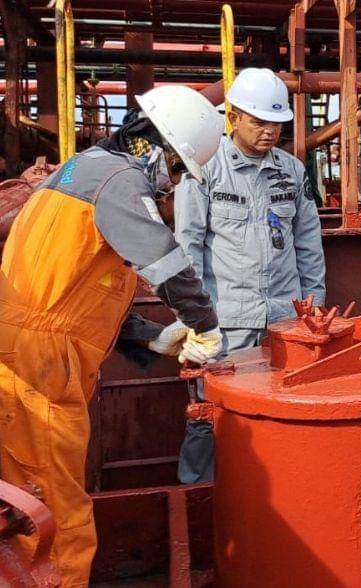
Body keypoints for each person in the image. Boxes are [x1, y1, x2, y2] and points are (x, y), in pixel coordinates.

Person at [0, 85, 224, 587]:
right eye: (178, 170)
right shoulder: (121, 181)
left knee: (37, 494)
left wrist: (148, 337)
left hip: (32, 351)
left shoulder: (84, 170)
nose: (173, 185)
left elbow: (72, 289)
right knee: (55, 512)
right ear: (161, 150)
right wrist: (205, 325)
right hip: (39, 363)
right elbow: (165, 262)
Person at [174, 68, 326, 483]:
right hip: (226, 326)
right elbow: (188, 248)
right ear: (233, 117)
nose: (270, 131)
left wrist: (312, 309)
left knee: (283, 415)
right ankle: (201, 494)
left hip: (285, 324)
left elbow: (309, 246)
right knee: (209, 415)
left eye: (277, 123)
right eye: (259, 122)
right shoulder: (205, 169)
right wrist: (195, 322)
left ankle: (282, 495)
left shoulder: (292, 172)